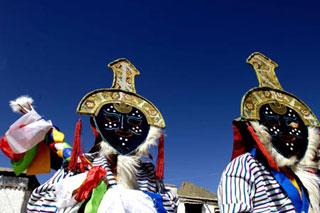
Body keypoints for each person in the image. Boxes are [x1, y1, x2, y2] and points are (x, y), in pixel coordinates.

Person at [1, 58, 177, 212]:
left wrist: (138, 201)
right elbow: (37, 203)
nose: (123, 127)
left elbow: (170, 206)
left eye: (134, 122)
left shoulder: (149, 174)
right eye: (113, 119)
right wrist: (82, 189)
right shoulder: (81, 165)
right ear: (98, 126)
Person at [218, 52, 320, 212]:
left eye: (293, 124)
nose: (289, 131)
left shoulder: (300, 176)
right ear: (259, 128)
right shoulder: (244, 166)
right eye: (273, 122)